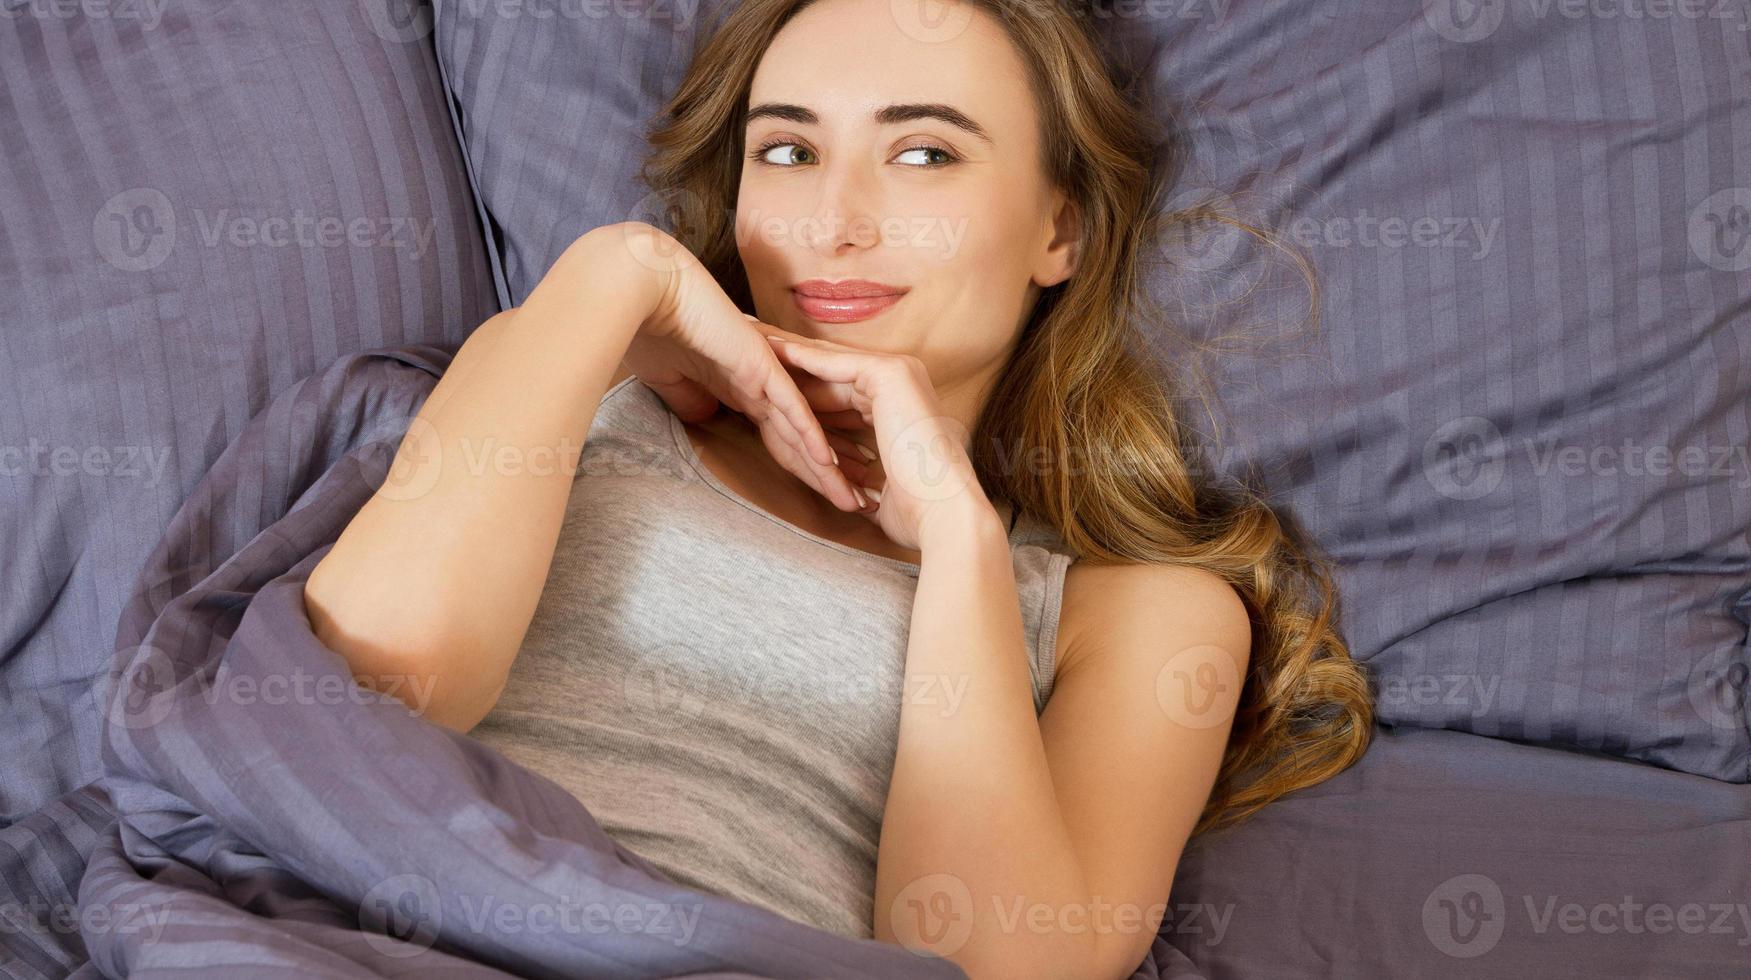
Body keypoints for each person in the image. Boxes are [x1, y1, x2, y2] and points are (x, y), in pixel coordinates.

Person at [304, 1, 1373, 976]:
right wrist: (612, 271)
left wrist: (959, 542)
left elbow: (992, 961)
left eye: (921, 152)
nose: (834, 219)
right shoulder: (566, 374)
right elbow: (374, 688)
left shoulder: (1140, 609)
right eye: (786, 149)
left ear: (1062, 230)